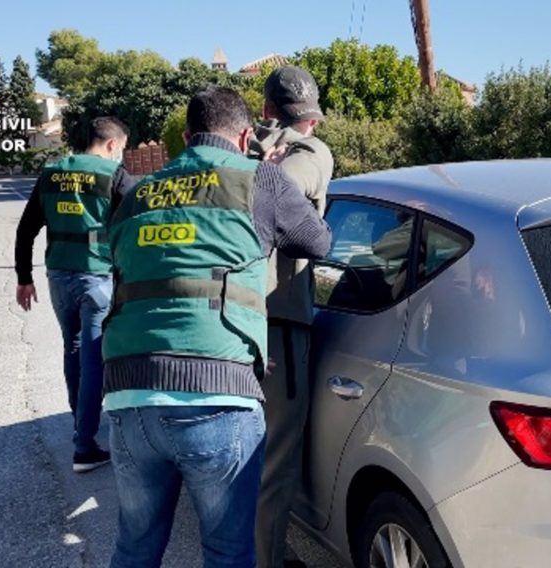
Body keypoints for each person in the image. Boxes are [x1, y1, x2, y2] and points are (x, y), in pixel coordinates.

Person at [102, 86, 331, 568]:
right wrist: (272, 174)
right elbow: (318, 243)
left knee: (135, 547)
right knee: (228, 552)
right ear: (246, 134)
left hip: (129, 394)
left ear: (186, 137)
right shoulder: (260, 179)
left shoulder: (136, 191)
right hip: (217, 395)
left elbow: (119, 259)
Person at [247, 66, 333, 568]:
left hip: (229, 319)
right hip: (277, 323)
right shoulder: (308, 154)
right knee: (275, 460)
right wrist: (270, 171)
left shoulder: (236, 150)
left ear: (264, 112)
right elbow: (276, 191)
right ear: (312, 118)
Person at [14, 116, 133, 473]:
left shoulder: (51, 172)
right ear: (112, 145)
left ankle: (80, 424)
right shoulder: (112, 175)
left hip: (58, 277)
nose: (121, 157)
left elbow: (26, 229)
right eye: (122, 150)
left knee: (74, 347)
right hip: (96, 278)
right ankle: (84, 446)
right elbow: (136, 225)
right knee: (95, 357)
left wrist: (24, 278)